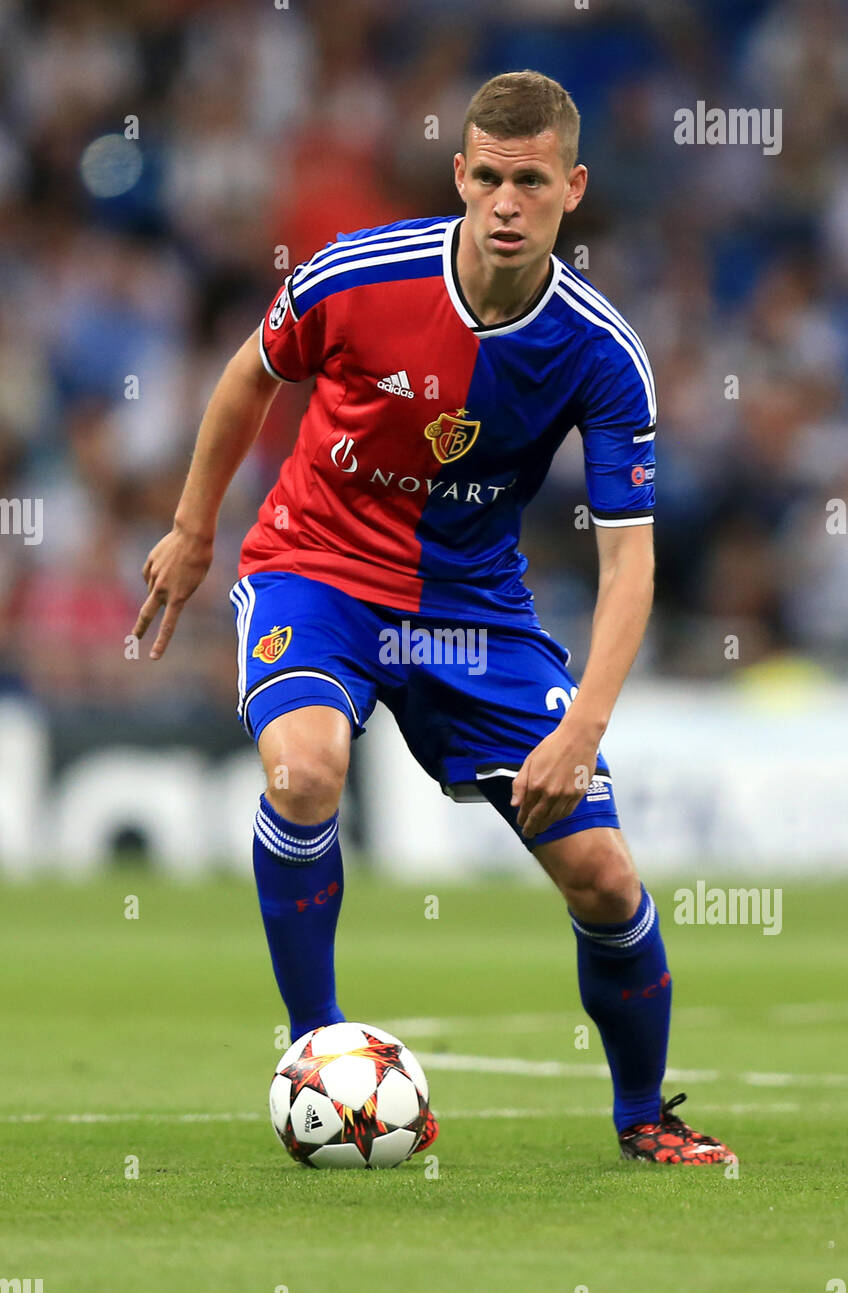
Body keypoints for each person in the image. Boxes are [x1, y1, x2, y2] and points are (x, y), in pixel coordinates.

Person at [134, 70, 735, 1165]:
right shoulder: (358, 277)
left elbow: (627, 563)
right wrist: (191, 529)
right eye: (490, 179)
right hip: (315, 571)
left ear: (572, 188)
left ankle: (642, 1113)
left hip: (472, 613)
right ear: (460, 176)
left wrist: (582, 728)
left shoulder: (601, 354)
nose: (507, 202)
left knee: (603, 877)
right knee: (304, 771)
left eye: (532, 182)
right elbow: (244, 377)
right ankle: (318, 1046)